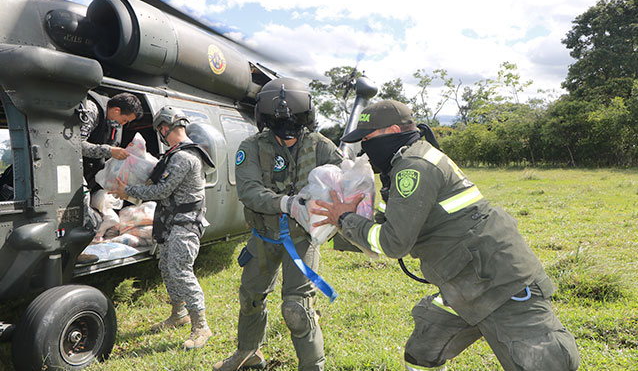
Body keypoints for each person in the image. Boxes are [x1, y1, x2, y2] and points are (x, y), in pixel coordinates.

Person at [312, 99, 580, 371]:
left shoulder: (414, 166)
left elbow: (393, 243)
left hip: (499, 282)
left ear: (392, 130)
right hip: (463, 282)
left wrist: (345, 219)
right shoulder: (407, 160)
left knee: (545, 361)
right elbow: (398, 222)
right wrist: (339, 225)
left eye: (368, 138)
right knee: (423, 351)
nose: (365, 147)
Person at [213, 78, 343, 371]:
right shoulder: (252, 147)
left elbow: (344, 180)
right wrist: (286, 204)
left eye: (293, 126)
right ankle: (249, 354)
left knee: (296, 308)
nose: (287, 136)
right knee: (250, 300)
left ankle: (313, 365)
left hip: (300, 239)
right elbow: (248, 190)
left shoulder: (321, 146)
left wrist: (350, 176)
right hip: (263, 236)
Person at [110, 106, 215, 350]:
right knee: (167, 267)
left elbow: (161, 191)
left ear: (165, 128)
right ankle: (179, 314)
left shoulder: (183, 157)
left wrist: (128, 191)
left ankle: (201, 325)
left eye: (160, 130)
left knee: (180, 270)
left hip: (185, 223)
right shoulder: (175, 154)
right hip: (171, 221)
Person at [77, 92, 143, 264]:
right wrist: (108, 151)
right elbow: (76, 144)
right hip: (74, 170)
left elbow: (111, 148)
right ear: (115, 110)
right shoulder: (92, 110)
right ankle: (76, 252)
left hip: (91, 173)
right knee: (81, 213)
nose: (124, 124)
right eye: (125, 120)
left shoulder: (113, 123)